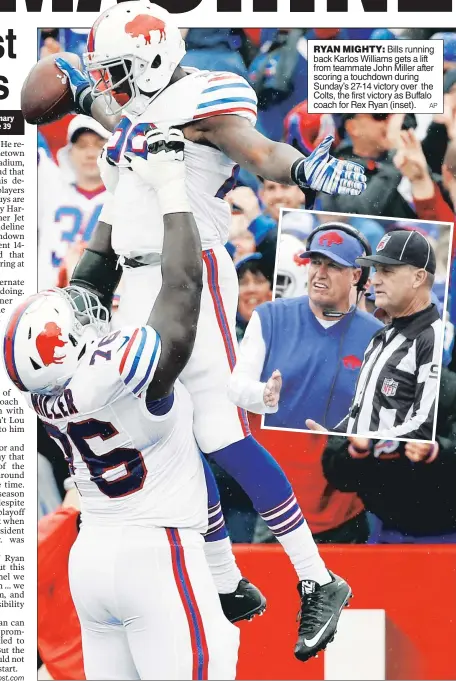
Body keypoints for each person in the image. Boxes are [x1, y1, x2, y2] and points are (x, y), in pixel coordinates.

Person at [54, 2, 365, 660]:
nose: (107, 87)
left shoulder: (200, 96)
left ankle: (319, 577)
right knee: (166, 435)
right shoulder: (136, 115)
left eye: (115, 73)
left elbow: (256, 148)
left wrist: (304, 169)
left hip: (189, 276)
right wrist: (90, 280)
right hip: (136, 286)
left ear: (153, 60)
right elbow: (118, 183)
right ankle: (228, 580)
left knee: (218, 431)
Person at [4, 130, 240, 680]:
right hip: (156, 552)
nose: (81, 310)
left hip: (93, 557)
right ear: (64, 341)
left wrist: (119, 190)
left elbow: (88, 281)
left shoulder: (46, 390)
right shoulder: (117, 367)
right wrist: (170, 188)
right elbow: (183, 286)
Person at [229, 223, 382, 430]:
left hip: (333, 459)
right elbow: (236, 386)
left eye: (333, 265)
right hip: (271, 455)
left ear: (356, 276)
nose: (320, 272)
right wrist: (262, 393)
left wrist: (342, 441)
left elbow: (385, 414)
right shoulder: (269, 316)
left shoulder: (379, 336)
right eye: (316, 262)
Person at [307, 229, 443, 440]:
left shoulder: (434, 338)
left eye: (387, 271)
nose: (376, 280)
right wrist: (333, 438)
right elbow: (361, 413)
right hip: (362, 467)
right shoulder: (380, 337)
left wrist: (366, 446)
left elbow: (426, 426)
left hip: (395, 470)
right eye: (376, 270)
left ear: (418, 277)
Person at [322, 365, 456, 543]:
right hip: (384, 529)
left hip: (448, 529)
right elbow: (336, 474)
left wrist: (437, 452)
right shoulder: (361, 390)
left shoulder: (449, 389)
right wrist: (355, 451)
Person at [38, 115, 109, 290]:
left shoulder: (126, 195)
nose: (91, 153)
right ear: (69, 151)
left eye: (99, 145)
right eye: (82, 145)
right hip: (50, 300)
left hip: (110, 306)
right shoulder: (51, 190)